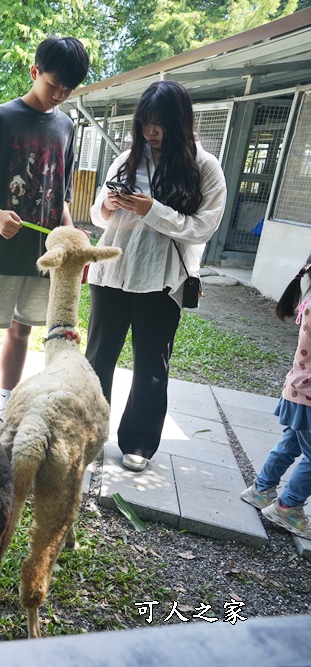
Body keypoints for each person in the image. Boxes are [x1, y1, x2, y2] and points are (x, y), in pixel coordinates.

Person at [86, 80, 227, 472]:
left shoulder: (204, 166)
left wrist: (153, 209)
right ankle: (88, 436)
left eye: (159, 123)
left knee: (151, 364)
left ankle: (139, 443)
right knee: (98, 359)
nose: (151, 132)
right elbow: (98, 216)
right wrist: (110, 203)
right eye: (145, 122)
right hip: (112, 271)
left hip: (163, 278)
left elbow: (204, 227)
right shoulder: (130, 157)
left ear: (180, 121)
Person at [0, 36, 89, 422]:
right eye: (53, 85)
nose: (59, 95)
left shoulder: (65, 126)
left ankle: (6, 398)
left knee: (22, 330)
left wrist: (69, 231)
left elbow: (62, 193)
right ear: (34, 72)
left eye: (68, 89)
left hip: (41, 255)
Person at [239, 266, 311, 539]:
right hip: (308, 396)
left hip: (299, 391)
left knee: (291, 443)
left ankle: (261, 490)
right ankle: (288, 507)